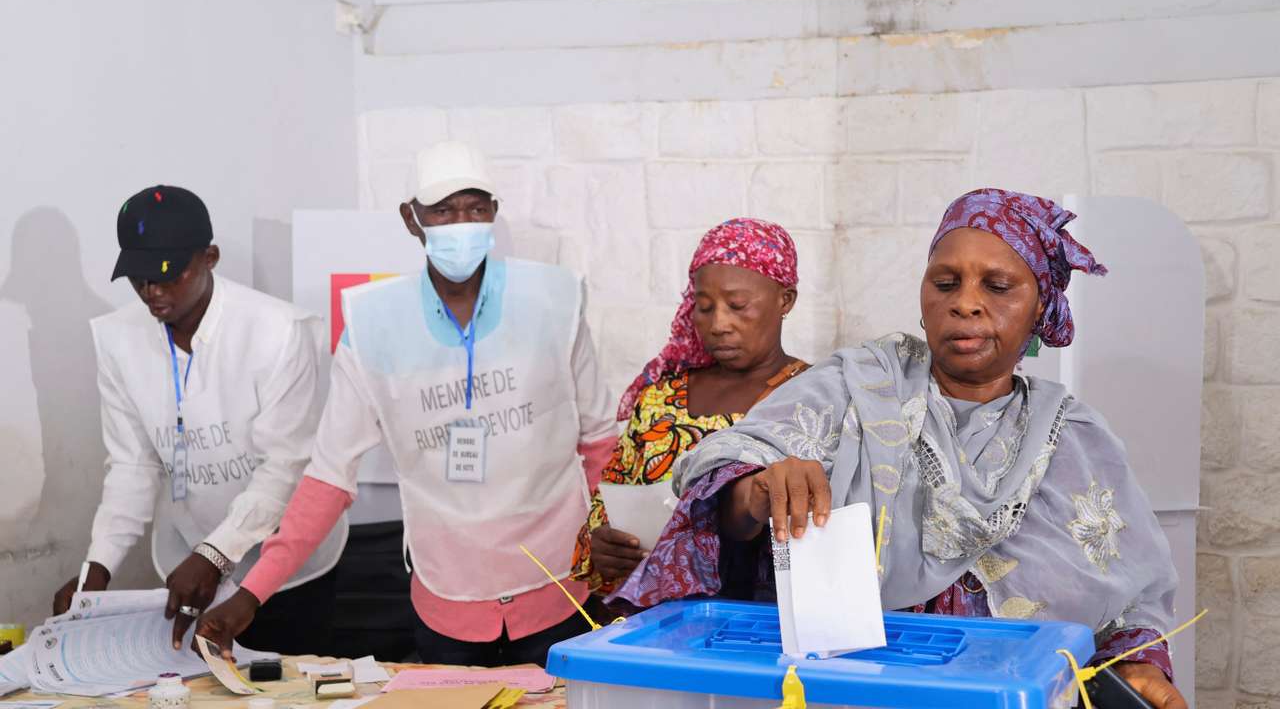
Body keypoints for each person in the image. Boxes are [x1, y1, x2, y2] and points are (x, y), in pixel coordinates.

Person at [613, 189, 1186, 709]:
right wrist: (757, 489)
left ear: (1040, 306)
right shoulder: (850, 388)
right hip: (844, 694)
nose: (964, 303)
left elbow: (1131, 600)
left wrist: (1136, 667)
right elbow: (723, 478)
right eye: (945, 283)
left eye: (997, 285)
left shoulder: (1073, 437)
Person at [195, 140, 616, 668]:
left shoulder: (555, 299)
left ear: (493, 215)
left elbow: (601, 443)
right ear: (411, 219)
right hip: (447, 600)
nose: (461, 223)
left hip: (562, 589)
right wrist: (252, 593)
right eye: (442, 210)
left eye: (475, 207)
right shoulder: (374, 324)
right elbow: (328, 478)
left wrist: (613, 558)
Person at [51, 185, 346, 654]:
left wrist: (214, 554)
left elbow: (285, 468)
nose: (152, 292)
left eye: (168, 275)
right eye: (139, 278)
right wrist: (97, 569)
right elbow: (133, 465)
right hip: (187, 564)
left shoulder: (279, 333)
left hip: (285, 571)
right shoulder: (118, 339)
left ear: (210, 257)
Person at [570, 218, 808, 596]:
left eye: (737, 305)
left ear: (785, 300)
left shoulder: (812, 398)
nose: (719, 324)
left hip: (762, 626)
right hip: (654, 624)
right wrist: (603, 545)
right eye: (705, 306)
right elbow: (607, 503)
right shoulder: (660, 398)